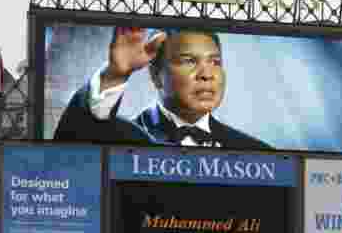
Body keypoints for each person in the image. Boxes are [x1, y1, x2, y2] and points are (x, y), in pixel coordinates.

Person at [53, 26, 270, 149]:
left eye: (215, 62)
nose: (206, 74)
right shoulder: (119, 137)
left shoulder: (256, 151)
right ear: (156, 75)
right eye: (189, 61)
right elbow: (70, 144)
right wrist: (115, 74)